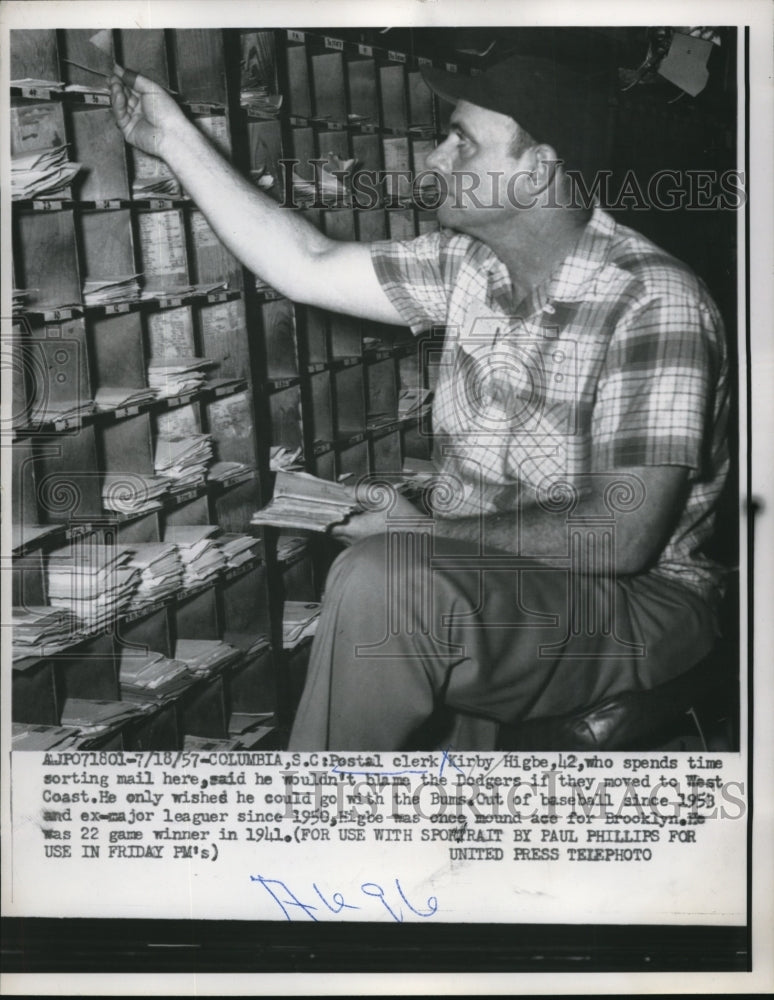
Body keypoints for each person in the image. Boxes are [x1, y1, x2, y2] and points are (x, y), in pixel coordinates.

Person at [110, 52, 730, 751]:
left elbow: (620, 534)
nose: (436, 157)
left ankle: (314, 813)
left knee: (388, 583)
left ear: (536, 170)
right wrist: (173, 138)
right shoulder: (467, 265)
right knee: (394, 593)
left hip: (642, 601)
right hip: (501, 579)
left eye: (462, 141)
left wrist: (426, 534)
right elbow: (306, 263)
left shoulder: (652, 301)